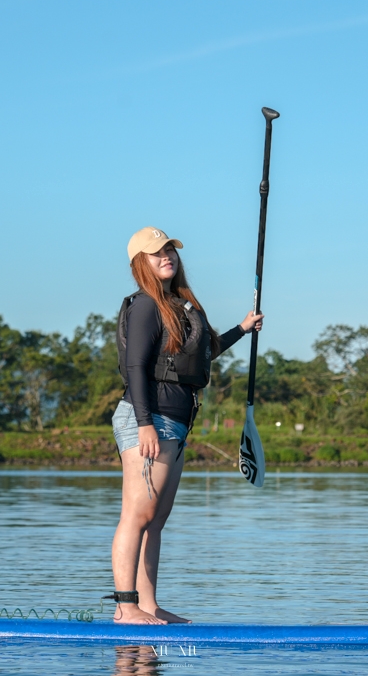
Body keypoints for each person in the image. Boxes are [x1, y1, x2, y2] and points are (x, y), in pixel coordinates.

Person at [109, 227, 264, 625]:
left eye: (169, 251)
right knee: (137, 516)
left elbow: (205, 351)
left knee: (156, 521)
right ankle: (125, 608)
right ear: (140, 263)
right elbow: (135, 368)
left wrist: (243, 329)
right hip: (150, 418)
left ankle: (148, 605)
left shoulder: (181, 304)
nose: (166, 257)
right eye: (156, 253)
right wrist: (144, 424)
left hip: (176, 424)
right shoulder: (145, 305)